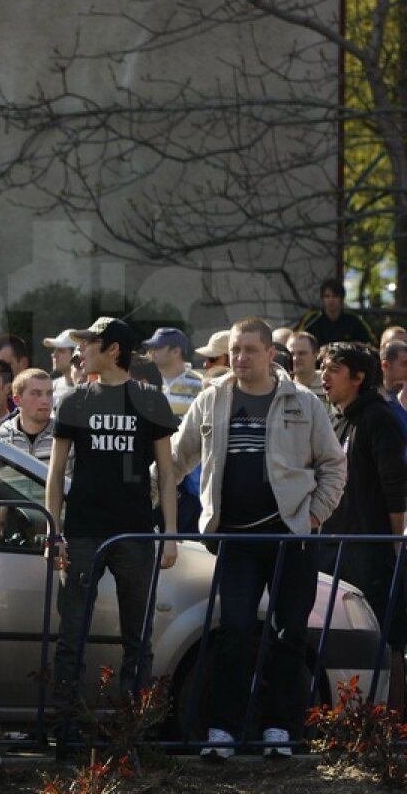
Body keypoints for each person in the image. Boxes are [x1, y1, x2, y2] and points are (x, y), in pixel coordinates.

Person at [168, 317, 345, 760]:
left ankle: (279, 730)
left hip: (292, 540)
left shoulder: (304, 402)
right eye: (235, 350)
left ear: (271, 354)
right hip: (236, 541)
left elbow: (334, 466)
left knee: (288, 635)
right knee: (235, 631)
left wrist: (315, 513)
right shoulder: (211, 400)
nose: (240, 358)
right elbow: (175, 457)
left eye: (250, 349)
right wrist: (142, 495)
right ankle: (223, 730)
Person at [45, 317, 179, 714]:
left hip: (135, 534)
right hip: (83, 532)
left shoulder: (151, 399)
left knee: (138, 639)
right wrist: (54, 534)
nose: (80, 352)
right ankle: (65, 730)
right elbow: (54, 475)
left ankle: (132, 734)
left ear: (113, 350)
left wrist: (170, 532)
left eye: (88, 344)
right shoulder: (74, 400)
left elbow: (168, 474)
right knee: (71, 637)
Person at [318, 343, 407, 683]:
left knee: (384, 637)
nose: (324, 375)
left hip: (369, 549)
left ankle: (390, 725)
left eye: (334, 369)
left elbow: (395, 485)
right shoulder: (337, 420)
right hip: (333, 547)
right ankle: (347, 724)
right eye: (323, 367)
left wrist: (394, 542)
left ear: (358, 377)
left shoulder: (379, 418)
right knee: (340, 638)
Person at [0, 368, 58, 462]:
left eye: (49, 394)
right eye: (36, 394)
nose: (45, 400)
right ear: (17, 400)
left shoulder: (65, 436)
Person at [141, 328, 202, 419]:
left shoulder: (201, 384)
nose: (150, 352)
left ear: (176, 351)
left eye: (157, 347)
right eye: (150, 347)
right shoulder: (143, 382)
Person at [296, 278, 376, 346]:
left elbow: (370, 344)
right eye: (327, 296)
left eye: (335, 296)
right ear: (322, 299)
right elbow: (298, 340)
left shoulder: (354, 321)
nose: (331, 300)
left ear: (341, 298)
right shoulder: (313, 320)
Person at [43, 329, 78, 404]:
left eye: (61, 351)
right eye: (54, 350)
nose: (54, 355)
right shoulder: (51, 387)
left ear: (77, 355)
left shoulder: (91, 389)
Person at [287, 332, 325, 399]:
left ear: (316, 355)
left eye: (302, 353)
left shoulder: (329, 384)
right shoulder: (282, 388)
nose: (295, 358)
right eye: (291, 354)